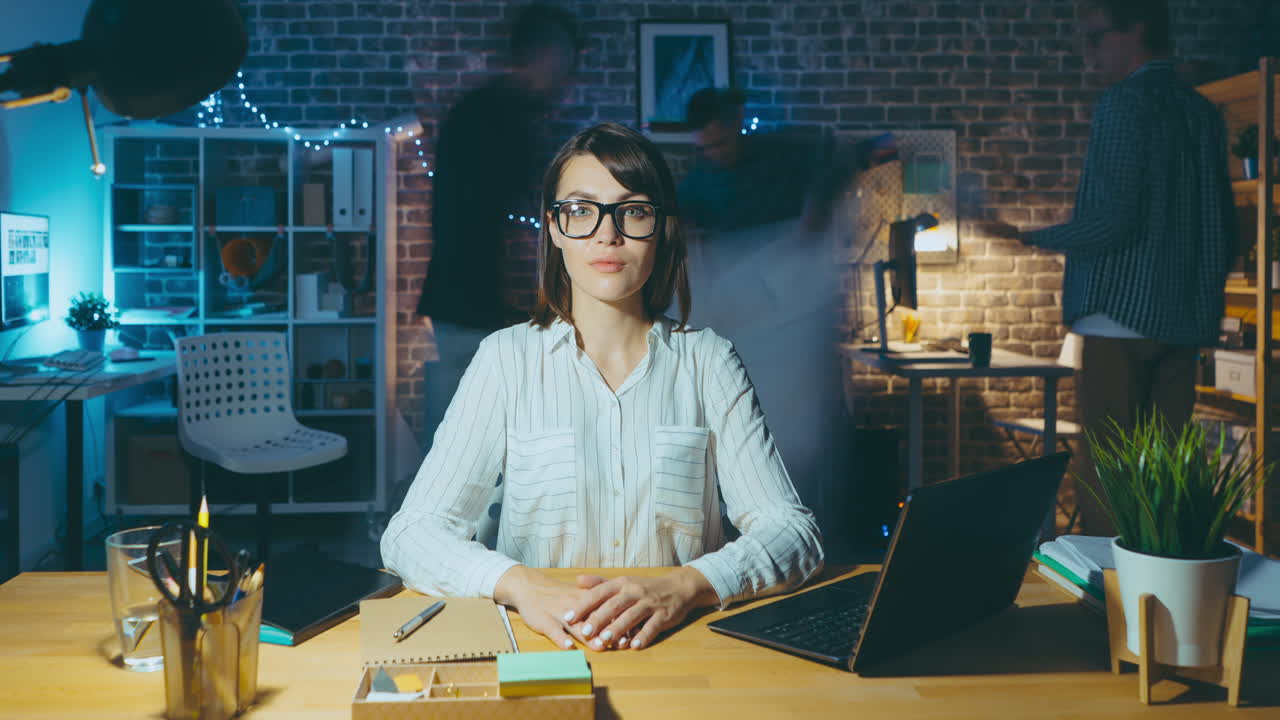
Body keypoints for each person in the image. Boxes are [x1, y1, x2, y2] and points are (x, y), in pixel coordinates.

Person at [382, 123, 824, 652]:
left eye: (632, 211)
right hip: (546, 650)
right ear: (554, 228)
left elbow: (793, 533)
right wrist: (522, 585)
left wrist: (685, 586)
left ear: (661, 228)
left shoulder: (709, 361)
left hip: (680, 651)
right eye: (581, 210)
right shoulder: (505, 360)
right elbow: (412, 534)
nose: (607, 235)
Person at [999, 0, 1235, 534]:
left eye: (1097, 38)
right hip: (1183, 323)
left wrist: (1028, 237)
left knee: (1108, 476)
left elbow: (1113, 220)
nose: (1089, 55)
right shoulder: (1202, 111)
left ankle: (1107, 586)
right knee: (1164, 481)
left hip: (1118, 317)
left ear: (1136, 31)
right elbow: (1222, 223)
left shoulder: (1124, 102)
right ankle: (1160, 582)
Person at [679, 87, 860, 558]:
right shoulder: (697, 183)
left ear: (737, 122)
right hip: (752, 325)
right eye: (706, 147)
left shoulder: (788, 154)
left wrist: (816, 211)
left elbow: (845, 157)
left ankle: (820, 543)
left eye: (721, 142)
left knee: (806, 438)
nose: (715, 153)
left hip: (799, 315)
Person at [415, 3, 578, 457]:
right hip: (475, 302)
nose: (565, 80)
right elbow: (514, 213)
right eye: (563, 64)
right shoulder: (500, 117)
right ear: (545, 55)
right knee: (464, 445)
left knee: (463, 444)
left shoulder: (490, 111)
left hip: (468, 298)